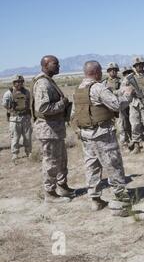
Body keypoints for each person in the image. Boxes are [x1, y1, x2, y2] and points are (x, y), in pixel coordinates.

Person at [71, 61, 134, 215]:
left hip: (86, 134)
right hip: (102, 134)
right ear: (97, 72)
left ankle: (95, 199)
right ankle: (121, 201)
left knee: (92, 166)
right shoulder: (98, 87)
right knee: (114, 164)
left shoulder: (79, 89)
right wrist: (127, 94)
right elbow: (116, 105)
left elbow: (74, 113)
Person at [31, 55, 75, 203]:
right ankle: (50, 193)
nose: (58, 66)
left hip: (55, 129)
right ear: (45, 65)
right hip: (48, 129)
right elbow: (43, 108)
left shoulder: (49, 81)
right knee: (51, 161)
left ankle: (62, 186)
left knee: (61, 159)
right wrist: (62, 104)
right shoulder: (43, 83)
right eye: (55, 64)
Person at [2, 74, 32, 162]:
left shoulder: (27, 92)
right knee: (15, 137)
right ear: (13, 83)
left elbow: (28, 103)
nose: (19, 83)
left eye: (21, 82)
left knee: (28, 137)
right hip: (14, 119)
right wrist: (11, 110)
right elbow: (4, 104)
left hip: (26, 118)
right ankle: (15, 154)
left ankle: (29, 152)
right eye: (17, 82)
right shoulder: (9, 93)